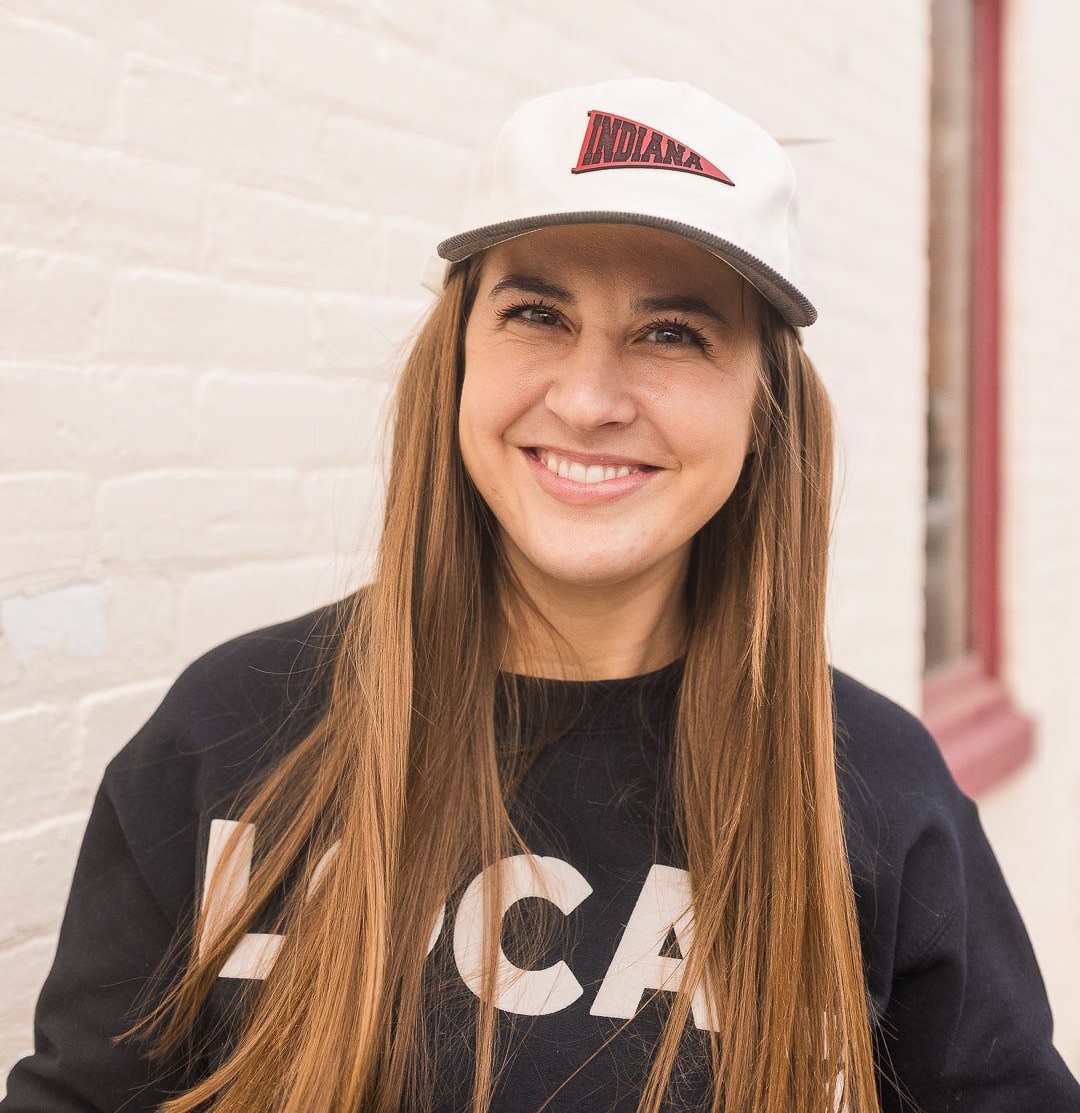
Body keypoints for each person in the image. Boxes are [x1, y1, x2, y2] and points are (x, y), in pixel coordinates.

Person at [3, 78, 1078, 1113]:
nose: (589, 398)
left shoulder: (873, 793)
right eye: (536, 313)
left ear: (765, 405)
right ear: (458, 359)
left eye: (673, 332)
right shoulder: (231, 732)